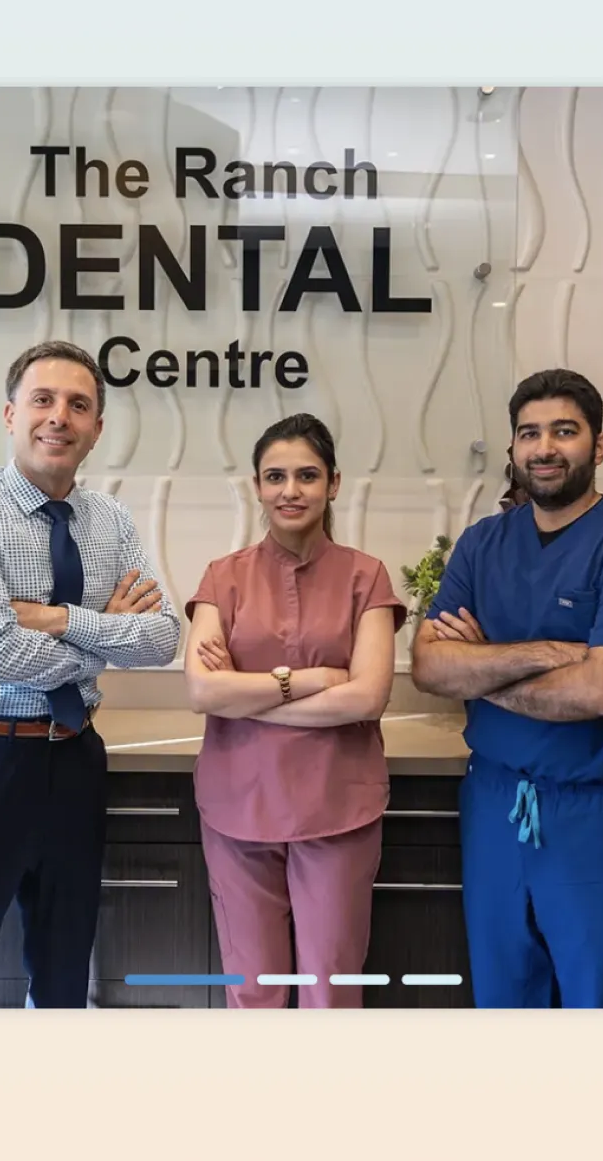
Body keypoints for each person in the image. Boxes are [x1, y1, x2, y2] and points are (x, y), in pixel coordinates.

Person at [0, 339, 182, 1008]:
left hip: (74, 758)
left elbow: (163, 638)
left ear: (97, 429)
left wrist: (55, 619)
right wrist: (105, 638)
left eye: (78, 405)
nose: (59, 416)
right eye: (43, 400)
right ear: (10, 414)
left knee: (63, 971)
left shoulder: (110, 520)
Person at [409, 368, 603, 1008]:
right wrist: (541, 654)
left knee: (596, 999)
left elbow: (602, 691)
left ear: (599, 445)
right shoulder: (482, 544)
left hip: (594, 812)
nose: (545, 447)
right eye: (529, 433)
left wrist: (480, 671)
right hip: (494, 801)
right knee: (503, 997)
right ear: (512, 447)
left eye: (564, 431)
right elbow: (428, 667)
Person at [182, 414, 401, 1009]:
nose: (290, 490)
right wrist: (310, 681)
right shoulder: (223, 578)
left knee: (330, 986)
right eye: (275, 476)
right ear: (257, 486)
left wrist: (245, 697)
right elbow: (202, 692)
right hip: (237, 805)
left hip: (337, 807)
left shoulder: (366, 577)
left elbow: (368, 697)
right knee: (253, 988)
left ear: (333, 483)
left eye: (307, 475)